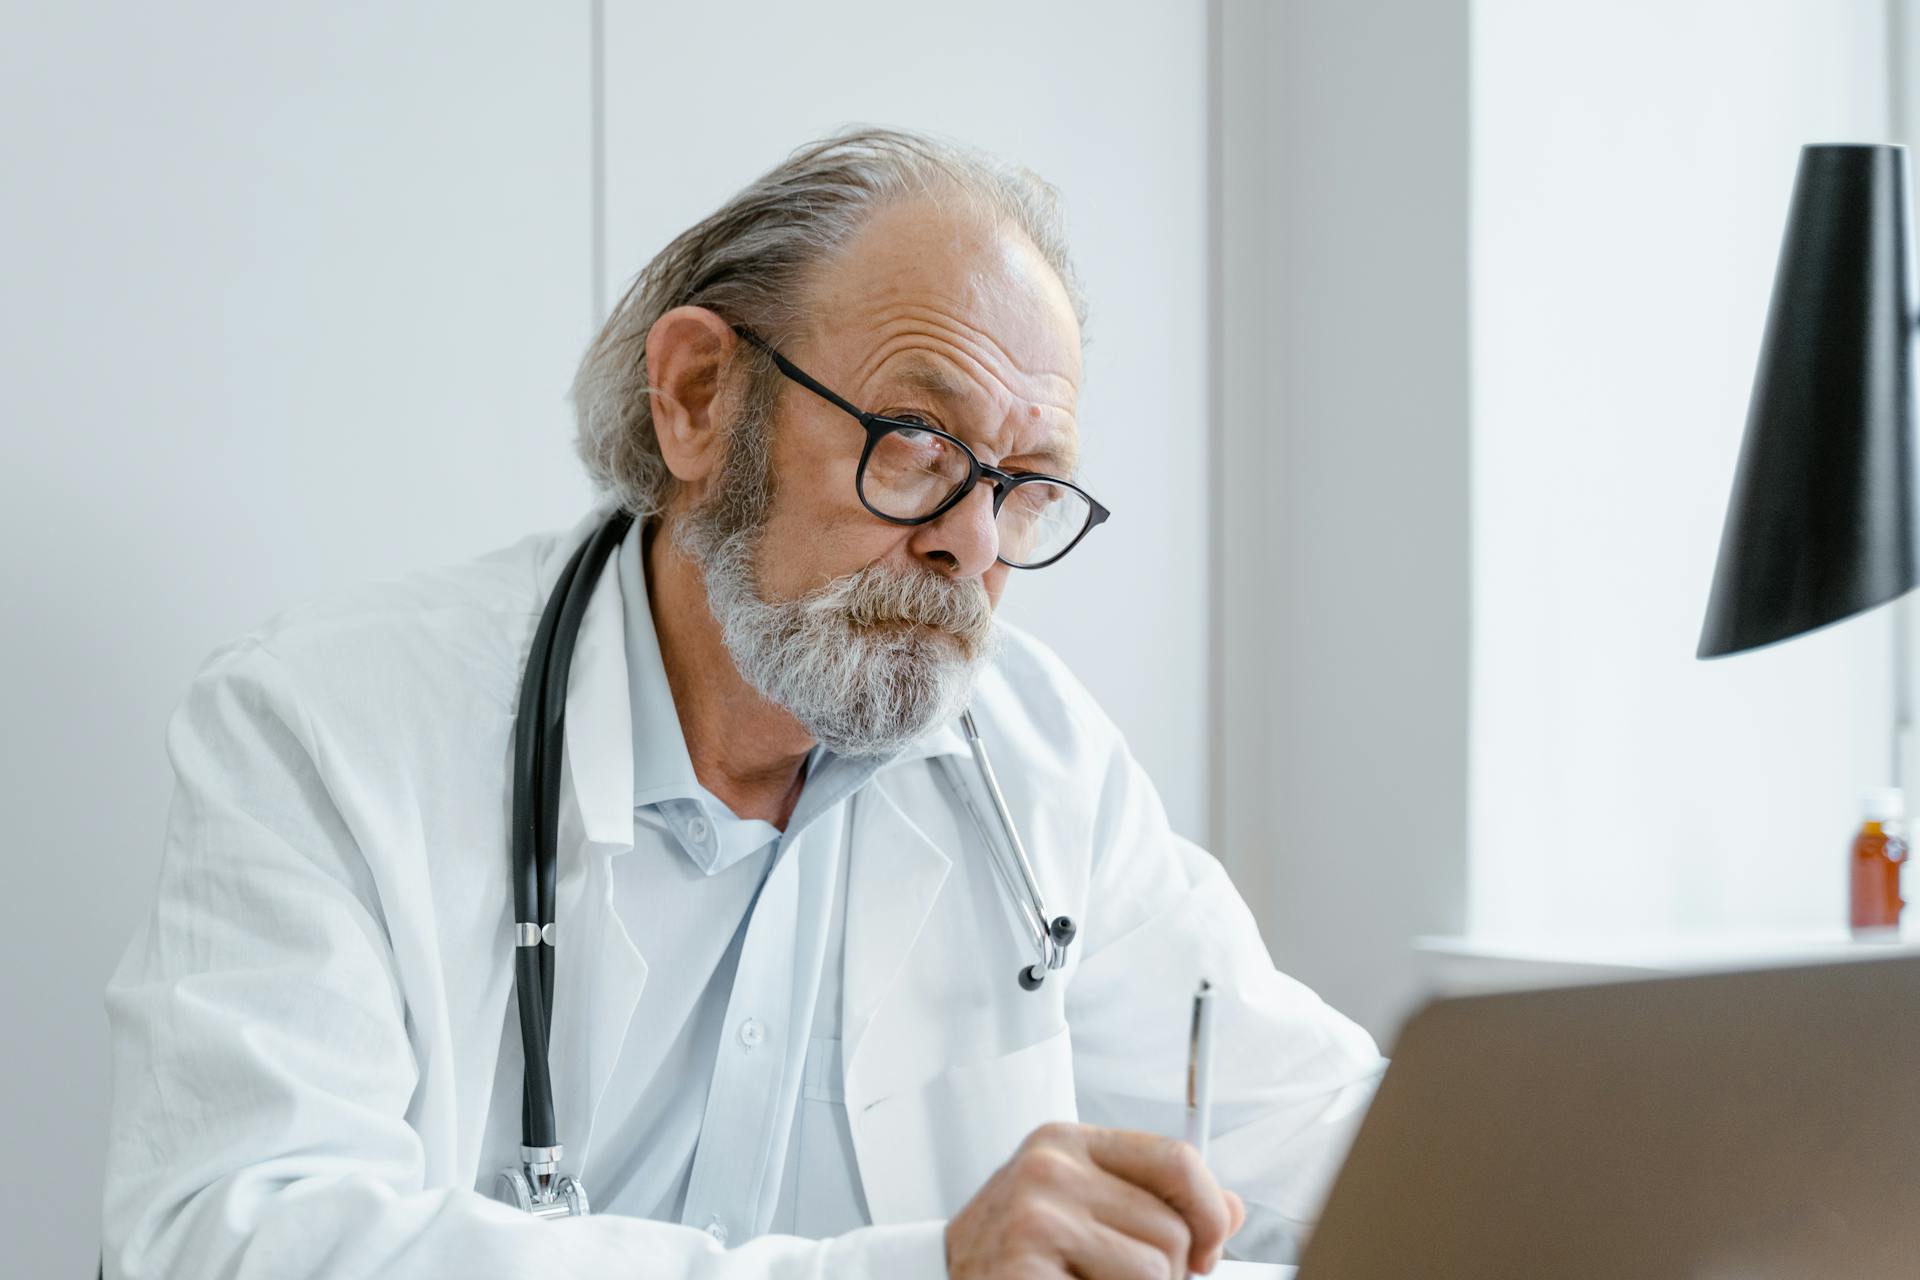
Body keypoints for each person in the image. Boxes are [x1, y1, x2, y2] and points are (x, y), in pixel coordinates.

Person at [102, 128, 1383, 1280]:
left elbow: (1332, 1150)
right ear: (700, 399)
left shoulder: (1038, 761)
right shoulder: (326, 726)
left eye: (1026, 483)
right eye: (918, 442)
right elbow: (227, 1233)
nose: (973, 545)